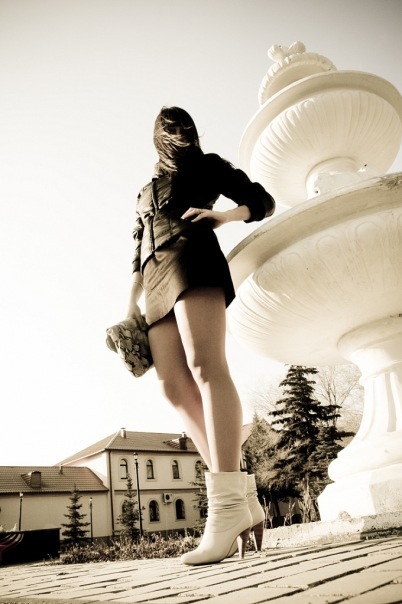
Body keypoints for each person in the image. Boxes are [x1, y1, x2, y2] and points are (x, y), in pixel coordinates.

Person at [126, 106, 275, 565]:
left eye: (184, 128)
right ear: (157, 136)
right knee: (173, 386)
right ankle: (243, 498)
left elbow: (261, 200)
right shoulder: (144, 192)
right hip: (153, 281)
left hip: (193, 258)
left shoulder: (207, 166)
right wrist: (128, 307)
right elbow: (136, 249)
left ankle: (226, 508)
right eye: (170, 129)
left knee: (206, 366)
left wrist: (224, 216)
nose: (179, 135)